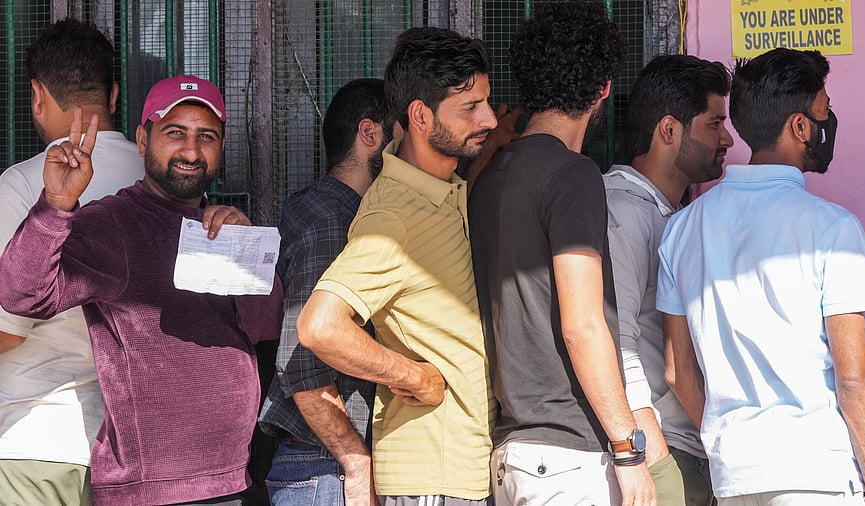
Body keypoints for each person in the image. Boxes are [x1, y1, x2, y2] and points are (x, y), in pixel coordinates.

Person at [0, 75, 282, 505]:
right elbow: (22, 296)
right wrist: (55, 206)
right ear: (143, 139)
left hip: (230, 479)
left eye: (206, 137)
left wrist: (246, 252)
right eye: (176, 134)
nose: (191, 151)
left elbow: (266, 326)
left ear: (221, 147)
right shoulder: (114, 224)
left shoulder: (218, 225)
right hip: (154, 490)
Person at [657, 48, 865, 505]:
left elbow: (677, 368)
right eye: (823, 113)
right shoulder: (833, 229)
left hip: (734, 478)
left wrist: (733, 447)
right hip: (816, 476)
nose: (828, 125)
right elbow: (856, 378)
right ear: (799, 127)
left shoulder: (682, 229)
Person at [296, 27, 498, 505]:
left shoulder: (443, 189)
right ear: (421, 116)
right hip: (431, 478)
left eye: (487, 101)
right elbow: (319, 326)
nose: (488, 117)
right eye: (470, 107)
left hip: (462, 469)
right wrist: (412, 375)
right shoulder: (394, 216)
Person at [469, 2, 655, 505]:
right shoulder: (573, 175)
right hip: (569, 456)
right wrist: (627, 448)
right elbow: (583, 323)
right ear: (603, 90)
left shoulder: (488, 179)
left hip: (512, 451)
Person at [0, 18, 144, 505]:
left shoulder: (21, 185)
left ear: (37, 96)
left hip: (36, 441)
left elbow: (6, 329)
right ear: (116, 95)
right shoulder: (163, 182)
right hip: (135, 450)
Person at [258, 78, 397, 505]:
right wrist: (355, 461)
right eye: (404, 138)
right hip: (325, 471)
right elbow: (301, 362)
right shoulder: (334, 221)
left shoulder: (324, 208)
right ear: (370, 134)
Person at [605, 54, 733, 506]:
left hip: (690, 451)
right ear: (669, 130)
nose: (727, 139)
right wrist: (652, 462)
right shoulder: (622, 211)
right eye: (714, 124)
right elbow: (614, 347)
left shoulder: (671, 215)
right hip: (660, 455)